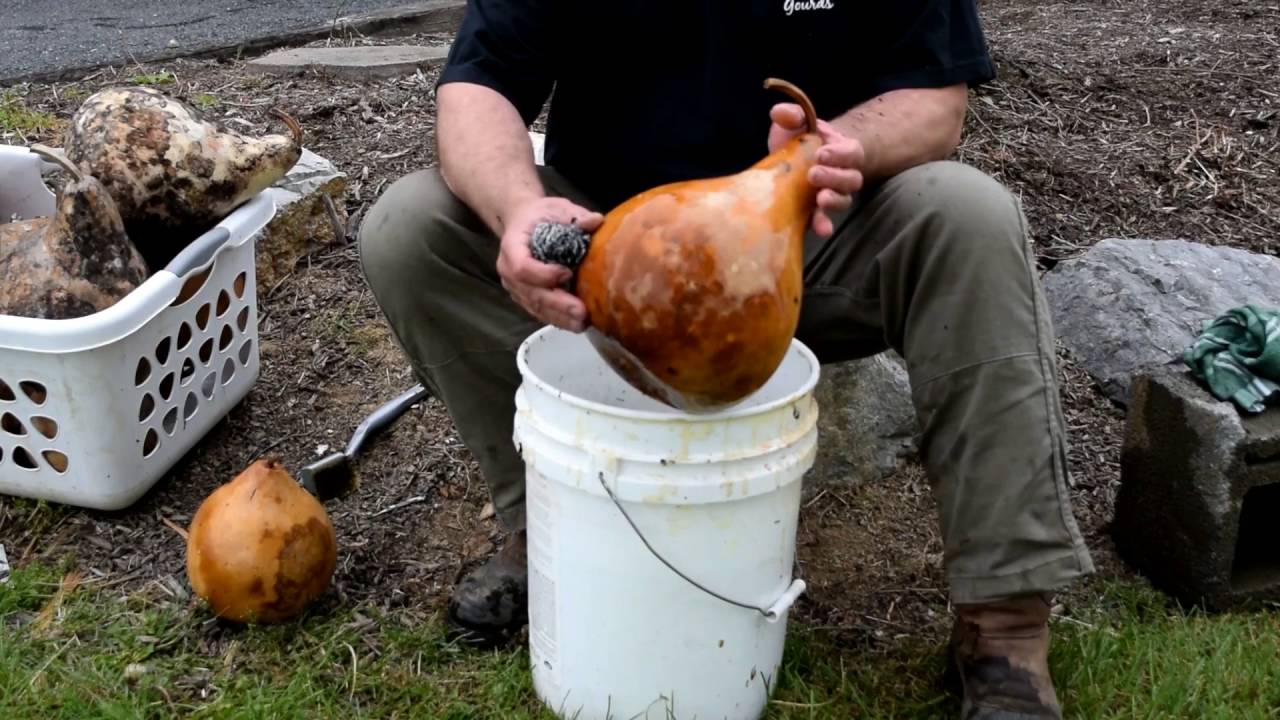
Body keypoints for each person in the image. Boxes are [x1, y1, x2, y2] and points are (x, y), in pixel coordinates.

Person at [358, 1, 1095, 717]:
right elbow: (477, 87)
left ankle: (1004, 623)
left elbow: (935, 96)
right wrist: (519, 209)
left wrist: (834, 148)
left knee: (970, 216)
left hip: (804, 237)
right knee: (410, 227)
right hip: (611, 243)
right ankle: (545, 528)